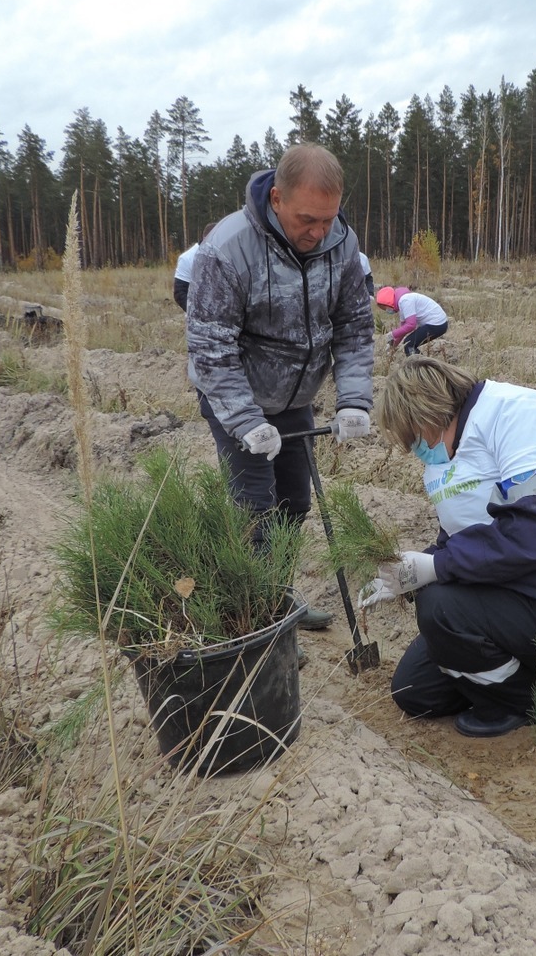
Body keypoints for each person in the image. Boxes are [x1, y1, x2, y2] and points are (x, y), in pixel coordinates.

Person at [359, 356, 536, 738]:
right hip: (520, 590)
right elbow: (465, 538)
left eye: (412, 437)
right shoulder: (448, 454)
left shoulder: (520, 417)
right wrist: (408, 571)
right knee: (414, 691)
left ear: (431, 412)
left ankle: (523, 698)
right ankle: (526, 669)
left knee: (440, 606)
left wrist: (434, 568)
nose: (413, 450)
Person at [187, 143, 375, 631]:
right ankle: (257, 625)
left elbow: (354, 326)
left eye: (327, 220)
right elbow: (210, 347)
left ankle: (277, 597)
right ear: (276, 199)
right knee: (254, 509)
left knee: (294, 504)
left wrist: (354, 398)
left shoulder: (342, 245)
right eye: (306, 219)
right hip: (238, 400)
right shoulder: (227, 249)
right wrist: (247, 421)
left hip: (295, 399)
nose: (317, 232)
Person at [375, 286, 449, 355]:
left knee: (409, 344)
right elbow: (403, 328)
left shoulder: (405, 300)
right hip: (436, 322)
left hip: (437, 323)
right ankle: (423, 365)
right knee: (410, 343)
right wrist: (392, 346)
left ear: (388, 302)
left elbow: (411, 325)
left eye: (385, 308)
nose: (387, 311)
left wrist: (392, 334)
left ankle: (420, 367)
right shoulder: (402, 303)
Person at [173, 222, 217, 311]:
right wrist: (195, 313)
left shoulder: (227, 255)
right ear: (206, 238)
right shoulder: (187, 258)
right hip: (198, 315)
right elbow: (180, 292)